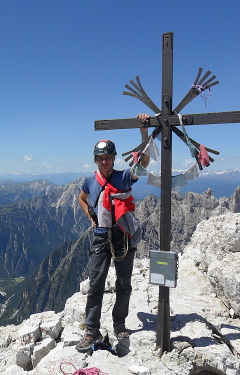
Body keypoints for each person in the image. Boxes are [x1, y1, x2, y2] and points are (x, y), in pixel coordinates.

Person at [75, 113, 151, 352]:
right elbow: (82, 198)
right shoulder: (90, 180)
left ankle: (119, 322)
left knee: (124, 282)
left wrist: (144, 131)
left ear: (114, 158)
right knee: (96, 283)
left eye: (108, 157)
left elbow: (145, 162)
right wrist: (90, 216)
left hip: (123, 236)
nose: (104, 161)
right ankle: (91, 329)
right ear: (96, 160)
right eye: (100, 158)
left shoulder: (124, 177)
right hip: (100, 236)